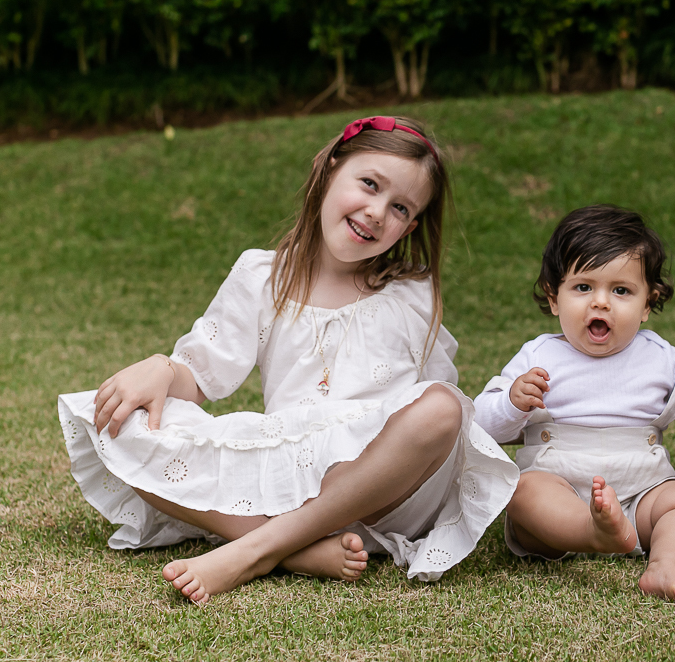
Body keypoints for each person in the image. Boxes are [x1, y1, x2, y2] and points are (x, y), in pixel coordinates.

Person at [57, 116, 519, 605]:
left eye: (400, 207)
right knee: (120, 424)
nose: (377, 212)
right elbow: (201, 375)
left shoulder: (411, 293)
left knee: (443, 407)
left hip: (381, 491)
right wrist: (161, 367)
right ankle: (298, 547)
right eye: (369, 184)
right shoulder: (262, 277)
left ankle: (256, 549)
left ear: (411, 225)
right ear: (329, 169)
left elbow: (428, 421)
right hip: (293, 469)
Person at [474, 205, 675, 606]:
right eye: (583, 288)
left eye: (621, 290)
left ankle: (667, 563)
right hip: (557, 496)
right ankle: (590, 530)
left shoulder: (658, 355)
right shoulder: (538, 354)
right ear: (553, 296)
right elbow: (482, 428)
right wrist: (512, 403)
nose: (601, 303)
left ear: (648, 303)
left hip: (640, 493)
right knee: (523, 491)